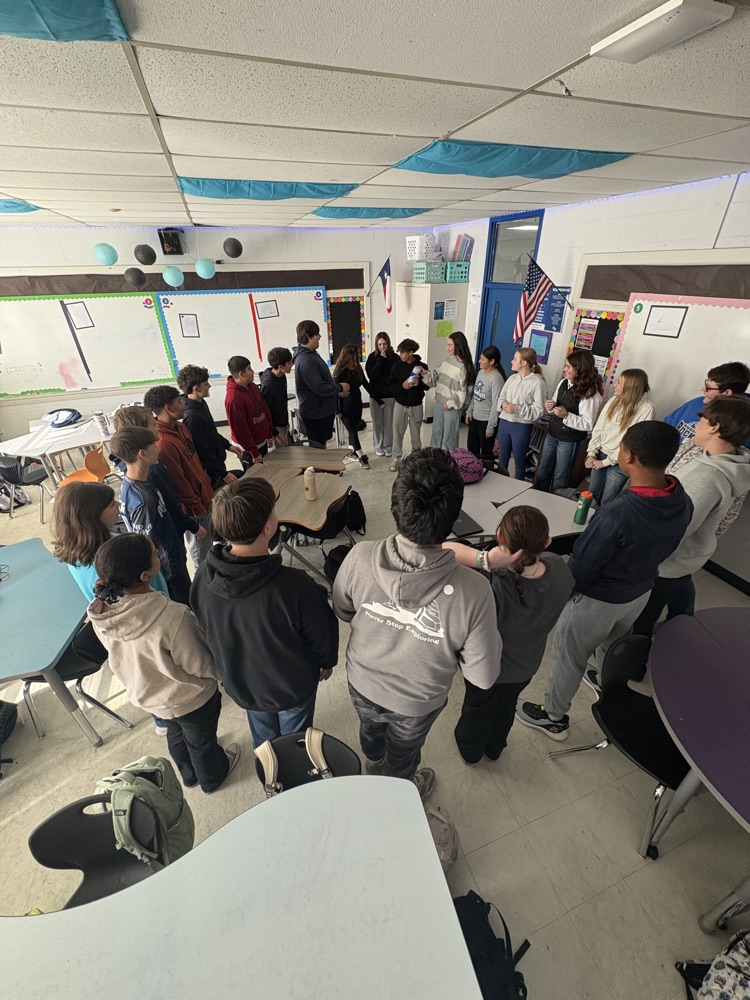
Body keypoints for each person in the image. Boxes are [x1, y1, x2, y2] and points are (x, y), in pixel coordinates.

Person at [332, 448, 502, 797]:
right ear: (454, 518)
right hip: (416, 703)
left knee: (370, 729)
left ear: (396, 507)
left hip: (361, 683)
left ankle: (372, 764)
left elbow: (343, 610)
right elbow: (482, 676)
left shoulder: (359, 556)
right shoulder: (475, 590)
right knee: (404, 751)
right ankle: (399, 791)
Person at [516, 421, 692, 740]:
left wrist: (560, 589)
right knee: (612, 643)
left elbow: (583, 567)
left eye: (622, 447)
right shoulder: (680, 496)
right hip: (639, 593)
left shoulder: (619, 513)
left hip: (598, 601)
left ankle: (553, 716)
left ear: (629, 456)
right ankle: (598, 676)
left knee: (569, 656)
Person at [190, 477, 338, 746]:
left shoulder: (202, 575)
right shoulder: (296, 586)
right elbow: (322, 634)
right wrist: (327, 661)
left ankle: (271, 778)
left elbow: (203, 622)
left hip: (242, 683)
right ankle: (294, 779)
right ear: (269, 527)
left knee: (265, 741)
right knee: (295, 742)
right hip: (292, 687)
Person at [88, 533, 240, 793]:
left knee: (176, 734)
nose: (158, 552)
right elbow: (198, 661)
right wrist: (221, 675)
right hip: (190, 698)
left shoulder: (101, 614)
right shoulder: (172, 616)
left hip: (151, 698)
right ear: (146, 575)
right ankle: (212, 777)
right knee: (201, 740)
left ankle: (188, 775)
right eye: (155, 553)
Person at [443, 506, 573, 763]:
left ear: (500, 537)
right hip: (526, 665)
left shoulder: (487, 585)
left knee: (478, 707)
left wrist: (485, 559)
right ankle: (494, 748)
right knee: (507, 706)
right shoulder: (560, 569)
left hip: (485, 668)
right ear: (547, 542)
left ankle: (471, 751)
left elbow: (443, 550)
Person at [632, 396, 750, 637]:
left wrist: (641, 552)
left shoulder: (706, 477)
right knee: (681, 588)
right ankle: (684, 628)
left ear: (715, 427)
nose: (695, 425)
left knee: (642, 617)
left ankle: (631, 665)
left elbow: (676, 527)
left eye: (701, 419)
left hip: (667, 561)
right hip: (688, 557)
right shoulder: (728, 461)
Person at [111, 405, 205, 588]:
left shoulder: (144, 479)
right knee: (181, 598)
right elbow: (146, 542)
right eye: (154, 445)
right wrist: (191, 525)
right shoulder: (143, 498)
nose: (159, 449)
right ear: (142, 453)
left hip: (171, 551)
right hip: (166, 563)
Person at [142, 384, 214, 568]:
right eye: (179, 401)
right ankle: (203, 590)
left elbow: (194, 462)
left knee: (209, 547)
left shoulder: (181, 428)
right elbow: (179, 482)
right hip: (194, 509)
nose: (183, 404)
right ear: (168, 408)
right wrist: (196, 507)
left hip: (204, 497)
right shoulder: (164, 444)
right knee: (201, 557)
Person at [535, 349, 603, 493]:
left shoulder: (590, 393)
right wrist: (550, 405)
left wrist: (567, 416)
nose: (564, 369)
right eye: (565, 365)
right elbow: (555, 401)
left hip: (569, 439)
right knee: (543, 469)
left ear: (579, 369)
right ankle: (538, 496)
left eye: (568, 367)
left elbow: (588, 424)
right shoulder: (564, 383)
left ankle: (557, 503)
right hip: (553, 433)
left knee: (561, 475)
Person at [585, 369, 653, 505]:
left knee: (607, 501)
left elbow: (632, 443)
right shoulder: (613, 400)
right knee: (591, 495)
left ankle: (602, 525)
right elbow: (599, 428)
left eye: (619, 382)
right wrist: (591, 453)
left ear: (630, 387)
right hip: (601, 454)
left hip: (619, 462)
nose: (615, 385)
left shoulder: (646, 409)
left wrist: (606, 462)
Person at [177, 364, 243, 489]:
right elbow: (203, 451)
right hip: (211, 471)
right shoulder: (192, 416)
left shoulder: (200, 403)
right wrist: (224, 474)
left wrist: (228, 446)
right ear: (196, 389)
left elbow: (211, 431)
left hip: (217, 463)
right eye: (206, 384)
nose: (210, 386)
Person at [292, 319, 349, 448]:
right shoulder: (306, 360)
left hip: (321, 410)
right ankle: (320, 468)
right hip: (316, 413)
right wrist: (339, 387)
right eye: (317, 334)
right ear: (308, 336)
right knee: (318, 448)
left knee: (321, 445)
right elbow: (319, 387)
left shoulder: (310, 355)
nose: (320, 337)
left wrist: (335, 391)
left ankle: (322, 467)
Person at [664, 361, 750, 445]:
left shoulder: (741, 424)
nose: (702, 389)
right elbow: (665, 427)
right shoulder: (696, 403)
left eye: (709, 387)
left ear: (727, 392)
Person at [496, 347, 547, 481]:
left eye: (515, 359)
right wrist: (503, 405)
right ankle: (500, 485)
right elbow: (501, 397)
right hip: (504, 423)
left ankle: (518, 489)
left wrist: (517, 408)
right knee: (502, 458)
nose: (512, 361)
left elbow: (538, 410)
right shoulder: (512, 378)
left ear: (524, 363)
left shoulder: (538, 383)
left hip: (521, 427)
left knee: (519, 461)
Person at [332, 343, 383, 469]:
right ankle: (362, 457)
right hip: (344, 406)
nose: (358, 356)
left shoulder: (358, 368)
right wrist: (336, 409)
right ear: (349, 356)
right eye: (356, 355)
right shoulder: (340, 371)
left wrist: (378, 400)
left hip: (356, 403)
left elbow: (366, 385)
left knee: (353, 430)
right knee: (352, 431)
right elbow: (334, 392)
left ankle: (352, 452)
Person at [423, 331, 476, 451]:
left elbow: (464, 393)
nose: (447, 348)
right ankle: (434, 460)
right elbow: (435, 377)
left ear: (458, 345)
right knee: (436, 434)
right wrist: (424, 374)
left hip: (452, 408)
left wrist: (450, 403)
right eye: (447, 345)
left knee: (449, 438)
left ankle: (449, 463)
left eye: (450, 345)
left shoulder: (465, 367)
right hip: (439, 404)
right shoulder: (447, 360)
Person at [388, 339, 430, 472]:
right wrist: (402, 385)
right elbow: (391, 386)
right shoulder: (396, 367)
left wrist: (420, 384)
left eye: (403, 352)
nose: (400, 355)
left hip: (416, 405)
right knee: (397, 432)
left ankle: (416, 458)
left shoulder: (422, 367)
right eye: (400, 352)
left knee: (415, 434)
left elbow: (428, 385)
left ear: (411, 352)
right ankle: (397, 458)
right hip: (400, 405)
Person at [224, 356, 274, 466]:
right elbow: (240, 430)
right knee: (255, 478)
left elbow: (264, 408)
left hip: (261, 442)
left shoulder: (252, 386)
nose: (252, 372)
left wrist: (269, 433)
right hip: (248, 450)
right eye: (249, 369)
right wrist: (254, 452)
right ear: (241, 374)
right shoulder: (233, 399)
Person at [465, 345, 506, 463]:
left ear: (492, 361)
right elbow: (475, 394)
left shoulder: (496, 378)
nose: (479, 361)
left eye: (483, 359)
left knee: (486, 454)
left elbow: (496, 405)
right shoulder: (481, 372)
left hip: (486, 421)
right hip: (475, 418)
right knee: (472, 450)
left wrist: (491, 426)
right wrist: (469, 411)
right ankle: (472, 471)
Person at [365, 332, 398, 457]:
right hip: (376, 396)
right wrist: (380, 361)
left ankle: (388, 446)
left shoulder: (395, 358)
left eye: (384, 344)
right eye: (379, 344)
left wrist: (380, 378)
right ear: (376, 345)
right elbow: (371, 375)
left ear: (388, 344)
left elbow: (393, 377)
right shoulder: (372, 357)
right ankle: (378, 446)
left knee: (389, 423)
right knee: (378, 423)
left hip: (390, 395)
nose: (382, 347)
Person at [260, 347, 293, 445]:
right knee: (280, 457)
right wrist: (275, 433)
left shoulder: (282, 375)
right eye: (289, 363)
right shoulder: (269, 386)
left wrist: (285, 422)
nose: (291, 365)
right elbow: (265, 412)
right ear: (280, 367)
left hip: (282, 423)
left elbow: (281, 403)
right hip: (275, 428)